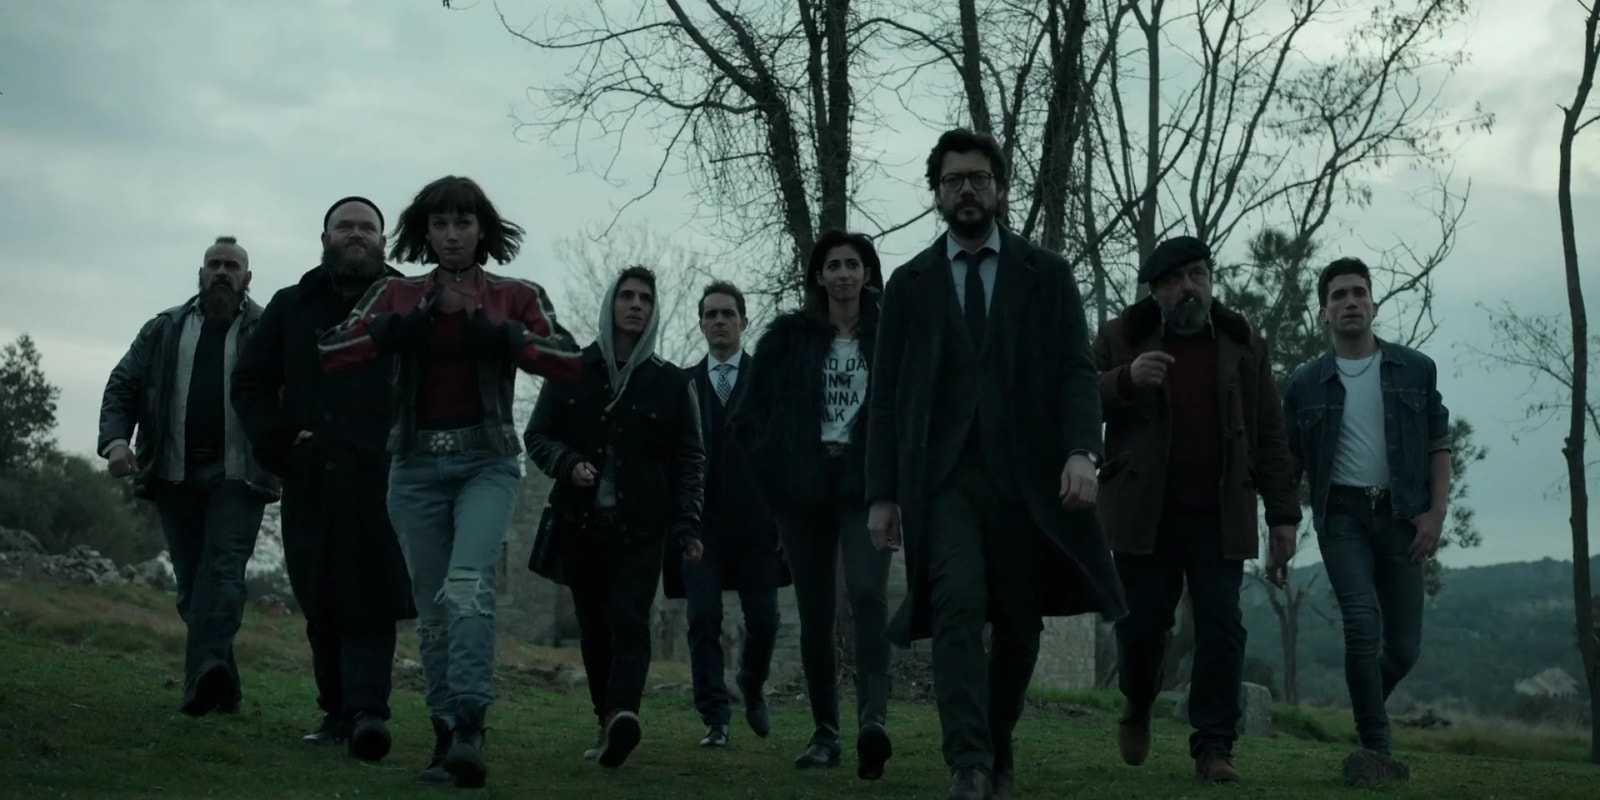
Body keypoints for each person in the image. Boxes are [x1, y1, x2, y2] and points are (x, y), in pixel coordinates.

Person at [865, 129, 1126, 800]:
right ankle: (969, 763)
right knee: (955, 605)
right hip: (942, 482)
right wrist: (882, 494)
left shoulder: (1047, 275)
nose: (967, 190)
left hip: (1027, 482)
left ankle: (997, 742)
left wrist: (1082, 451)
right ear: (937, 194)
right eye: (954, 180)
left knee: (1017, 621)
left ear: (1001, 189)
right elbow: (886, 396)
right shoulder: (909, 284)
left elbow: (1075, 371)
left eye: (979, 178)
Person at [317, 176, 582, 788]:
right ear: (425, 232)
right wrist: (394, 330)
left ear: (482, 229)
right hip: (413, 469)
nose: (452, 235)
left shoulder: (515, 295)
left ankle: (470, 725)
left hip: (486, 463)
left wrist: (505, 337)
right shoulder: (396, 293)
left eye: (463, 223)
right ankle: (444, 735)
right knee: (433, 608)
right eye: (440, 224)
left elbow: (571, 363)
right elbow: (330, 352)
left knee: (467, 587)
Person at [1091, 234, 1300, 784]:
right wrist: (1125, 379)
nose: (1188, 287)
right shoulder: (1120, 336)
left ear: (1210, 281)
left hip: (1219, 513)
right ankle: (1137, 703)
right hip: (1143, 513)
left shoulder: (1242, 341)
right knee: (1141, 629)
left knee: (1221, 628)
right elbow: (1075, 399)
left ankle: (1214, 745)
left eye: (1198, 275)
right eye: (1174, 279)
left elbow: (1270, 433)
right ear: (1154, 290)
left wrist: (1283, 516)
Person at [232, 197, 416, 762]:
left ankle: (368, 713)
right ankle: (337, 710)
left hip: (384, 476)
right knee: (320, 596)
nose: (356, 235)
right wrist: (282, 443)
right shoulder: (291, 306)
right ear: (325, 237)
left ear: (383, 241)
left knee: (373, 597)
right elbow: (251, 384)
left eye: (368, 228)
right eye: (345, 226)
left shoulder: (409, 303)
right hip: (310, 473)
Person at [525, 266, 706, 769]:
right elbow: (537, 435)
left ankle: (624, 712)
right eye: (627, 296)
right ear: (611, 304)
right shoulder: (571, 369)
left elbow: (691, 458)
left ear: (653, 310)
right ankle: (606, 721)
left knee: (629, 618)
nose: (635, 305)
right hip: (580, 523)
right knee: (594, 626)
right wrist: (567, 463)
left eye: (645, 298)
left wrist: (688, 522)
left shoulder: (672, 383)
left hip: (643, 526)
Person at [1283, 257, 1451, 788]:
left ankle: (1365, 706)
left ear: (1373, 304)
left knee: (1403, 648)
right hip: (1342, 517)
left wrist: (1435, 514)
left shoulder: (1415, 369)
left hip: (1402, 516)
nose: (1351, 302)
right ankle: (1375, 747)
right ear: (1324, 312)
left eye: (1359, 292)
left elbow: (1438, 444)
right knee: (1360, 623)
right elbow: (1288, 464)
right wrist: (1279, 528)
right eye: (1339, 295)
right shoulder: (1304, 384)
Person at [732, 231, 893, 780]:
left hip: (867, 486)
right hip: (802, 492)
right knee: (815, 612)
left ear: (867, 274)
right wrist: (775, 476)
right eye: (833, 265)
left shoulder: (892, 337)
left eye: (853, 264)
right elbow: (749, 417)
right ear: (818, 276)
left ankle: (873, 723)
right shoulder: (789, 339)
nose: (843, 274)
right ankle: (826, 733)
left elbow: (913, 408)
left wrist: (898, 481)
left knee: (868, 595)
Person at [98, 235, 279, 716]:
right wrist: (116, 441)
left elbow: (295, 390)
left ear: (247, 278)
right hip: (173, 471)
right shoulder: (164, 329)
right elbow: (123, 384)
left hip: (240, 475)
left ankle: (201, 679)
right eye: (214, 264)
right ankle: (223, 683)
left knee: (223, 571)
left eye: (231, 266)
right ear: (201, 274)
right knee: (192, 587)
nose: (222, 272)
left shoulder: (268, 330)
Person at [675, 280, 787, 749]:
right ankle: (715, 718)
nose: (719, 321)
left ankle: (751, 683)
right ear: (701, 324)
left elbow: (786, 451)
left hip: (758, 526)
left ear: (743, 321)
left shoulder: (770, 381)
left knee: (764, 620)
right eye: (711, 314)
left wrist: (784, 517)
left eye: (727, 313)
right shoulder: (683, 385)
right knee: (703, 619)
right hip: (700, 528)